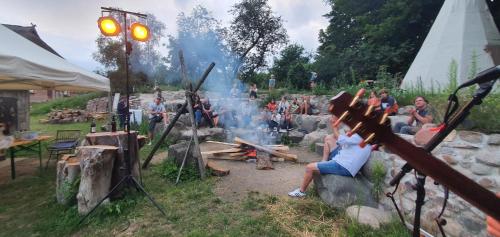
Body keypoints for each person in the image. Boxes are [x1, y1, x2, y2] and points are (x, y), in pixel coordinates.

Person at [288, 130, 372, 197]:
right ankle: (323, 163)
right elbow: (344, 145)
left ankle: (301, 191)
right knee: (315, 166)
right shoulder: (365, 137)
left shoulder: (359, 137)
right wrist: (349, 134)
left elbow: (341, 140)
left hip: (343, 166)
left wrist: (334, 126)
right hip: (344, 164)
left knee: (309, 168)